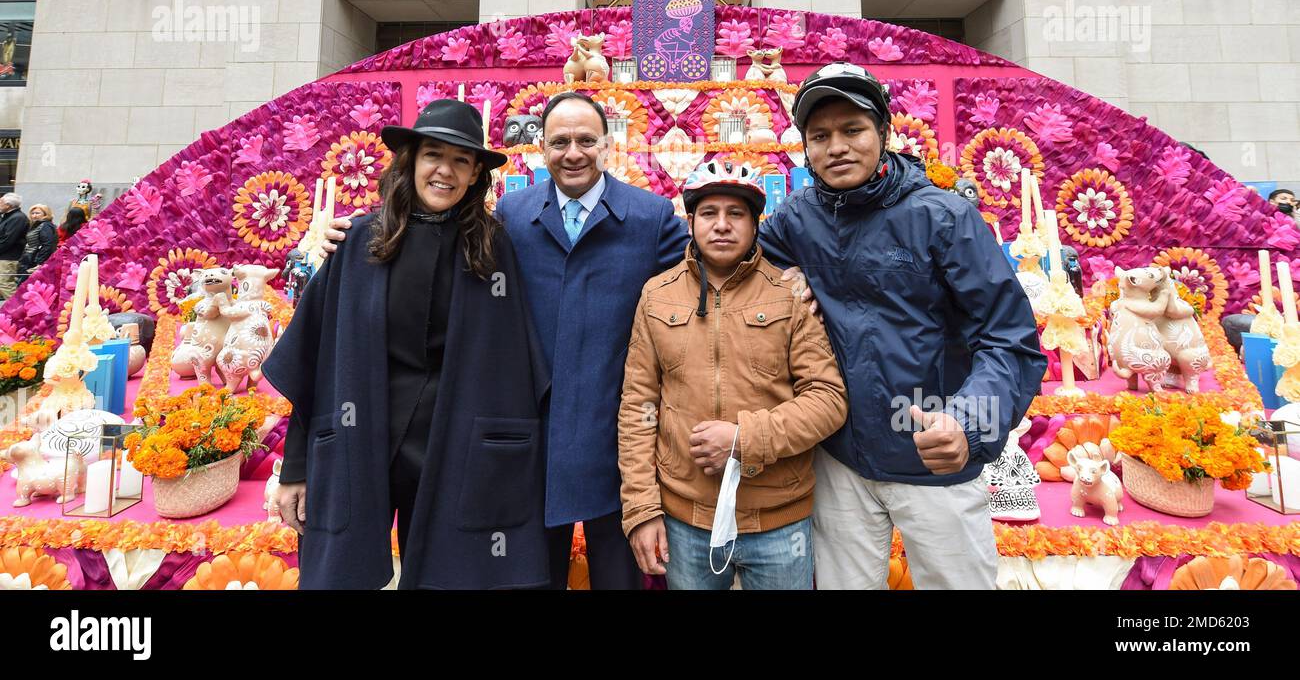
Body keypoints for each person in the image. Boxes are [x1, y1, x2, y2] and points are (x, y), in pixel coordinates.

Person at [321, 91, 816, 588]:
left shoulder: (646, 217)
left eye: (585, 140)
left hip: (614, 441)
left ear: (606, 145)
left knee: (619, 577)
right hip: (527, 442)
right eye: (559, 141)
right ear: (541, 147)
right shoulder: (509, 217)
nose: (573, 152)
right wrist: (344, 236)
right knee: (528, 576)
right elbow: (436, 239)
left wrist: (794, 272)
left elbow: (713, 253)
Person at [756, 62, 1047, 590]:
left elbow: (1009, 339)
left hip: (933, 451)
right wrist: (781, 277)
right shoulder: (797, 219)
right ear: (804, 148)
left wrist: (968, 425)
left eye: (853, 130)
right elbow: (743, 264)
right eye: (820, 136)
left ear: (885, 133)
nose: (836, 147)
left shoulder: (943, 217)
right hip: (840, 458)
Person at [260, 99, 550, 590]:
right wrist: (298, 466)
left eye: (462, 160)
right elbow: (313, 366)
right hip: (359, 439)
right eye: (433, 154)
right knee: (342, 576)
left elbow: (516, 370)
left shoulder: (492, 248)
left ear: (478, 172)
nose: (445, 171)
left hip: (457, 450)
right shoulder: (355, 243)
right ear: (411, 160)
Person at [619, 160, 847, 590]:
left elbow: (828, 399)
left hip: (779, 520)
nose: (722, 225)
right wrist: (642, 509)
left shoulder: (790, 294)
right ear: (690, 222)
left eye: (736, 214)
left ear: (755, 223)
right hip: (686, 521)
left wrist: (746, 440)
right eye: (709, 213)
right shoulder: (657, 295)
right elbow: (638, 407)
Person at [0, 194, 29, 303]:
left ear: (8, 205)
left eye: (1, 202)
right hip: (5, 256)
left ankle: (18, 308)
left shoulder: (17, 218)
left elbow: (8, 240)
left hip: (8, 257)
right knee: (5, 283)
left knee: (6, 284)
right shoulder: (10, 216)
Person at [17, 204, 56, 284]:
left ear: (45, 214)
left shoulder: (45, 225)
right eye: (33, 213)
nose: (34, 215)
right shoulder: (37, 225)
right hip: (30, 259)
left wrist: (39, 262)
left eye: (37, 213)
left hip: (35, 261)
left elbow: (47, 245)